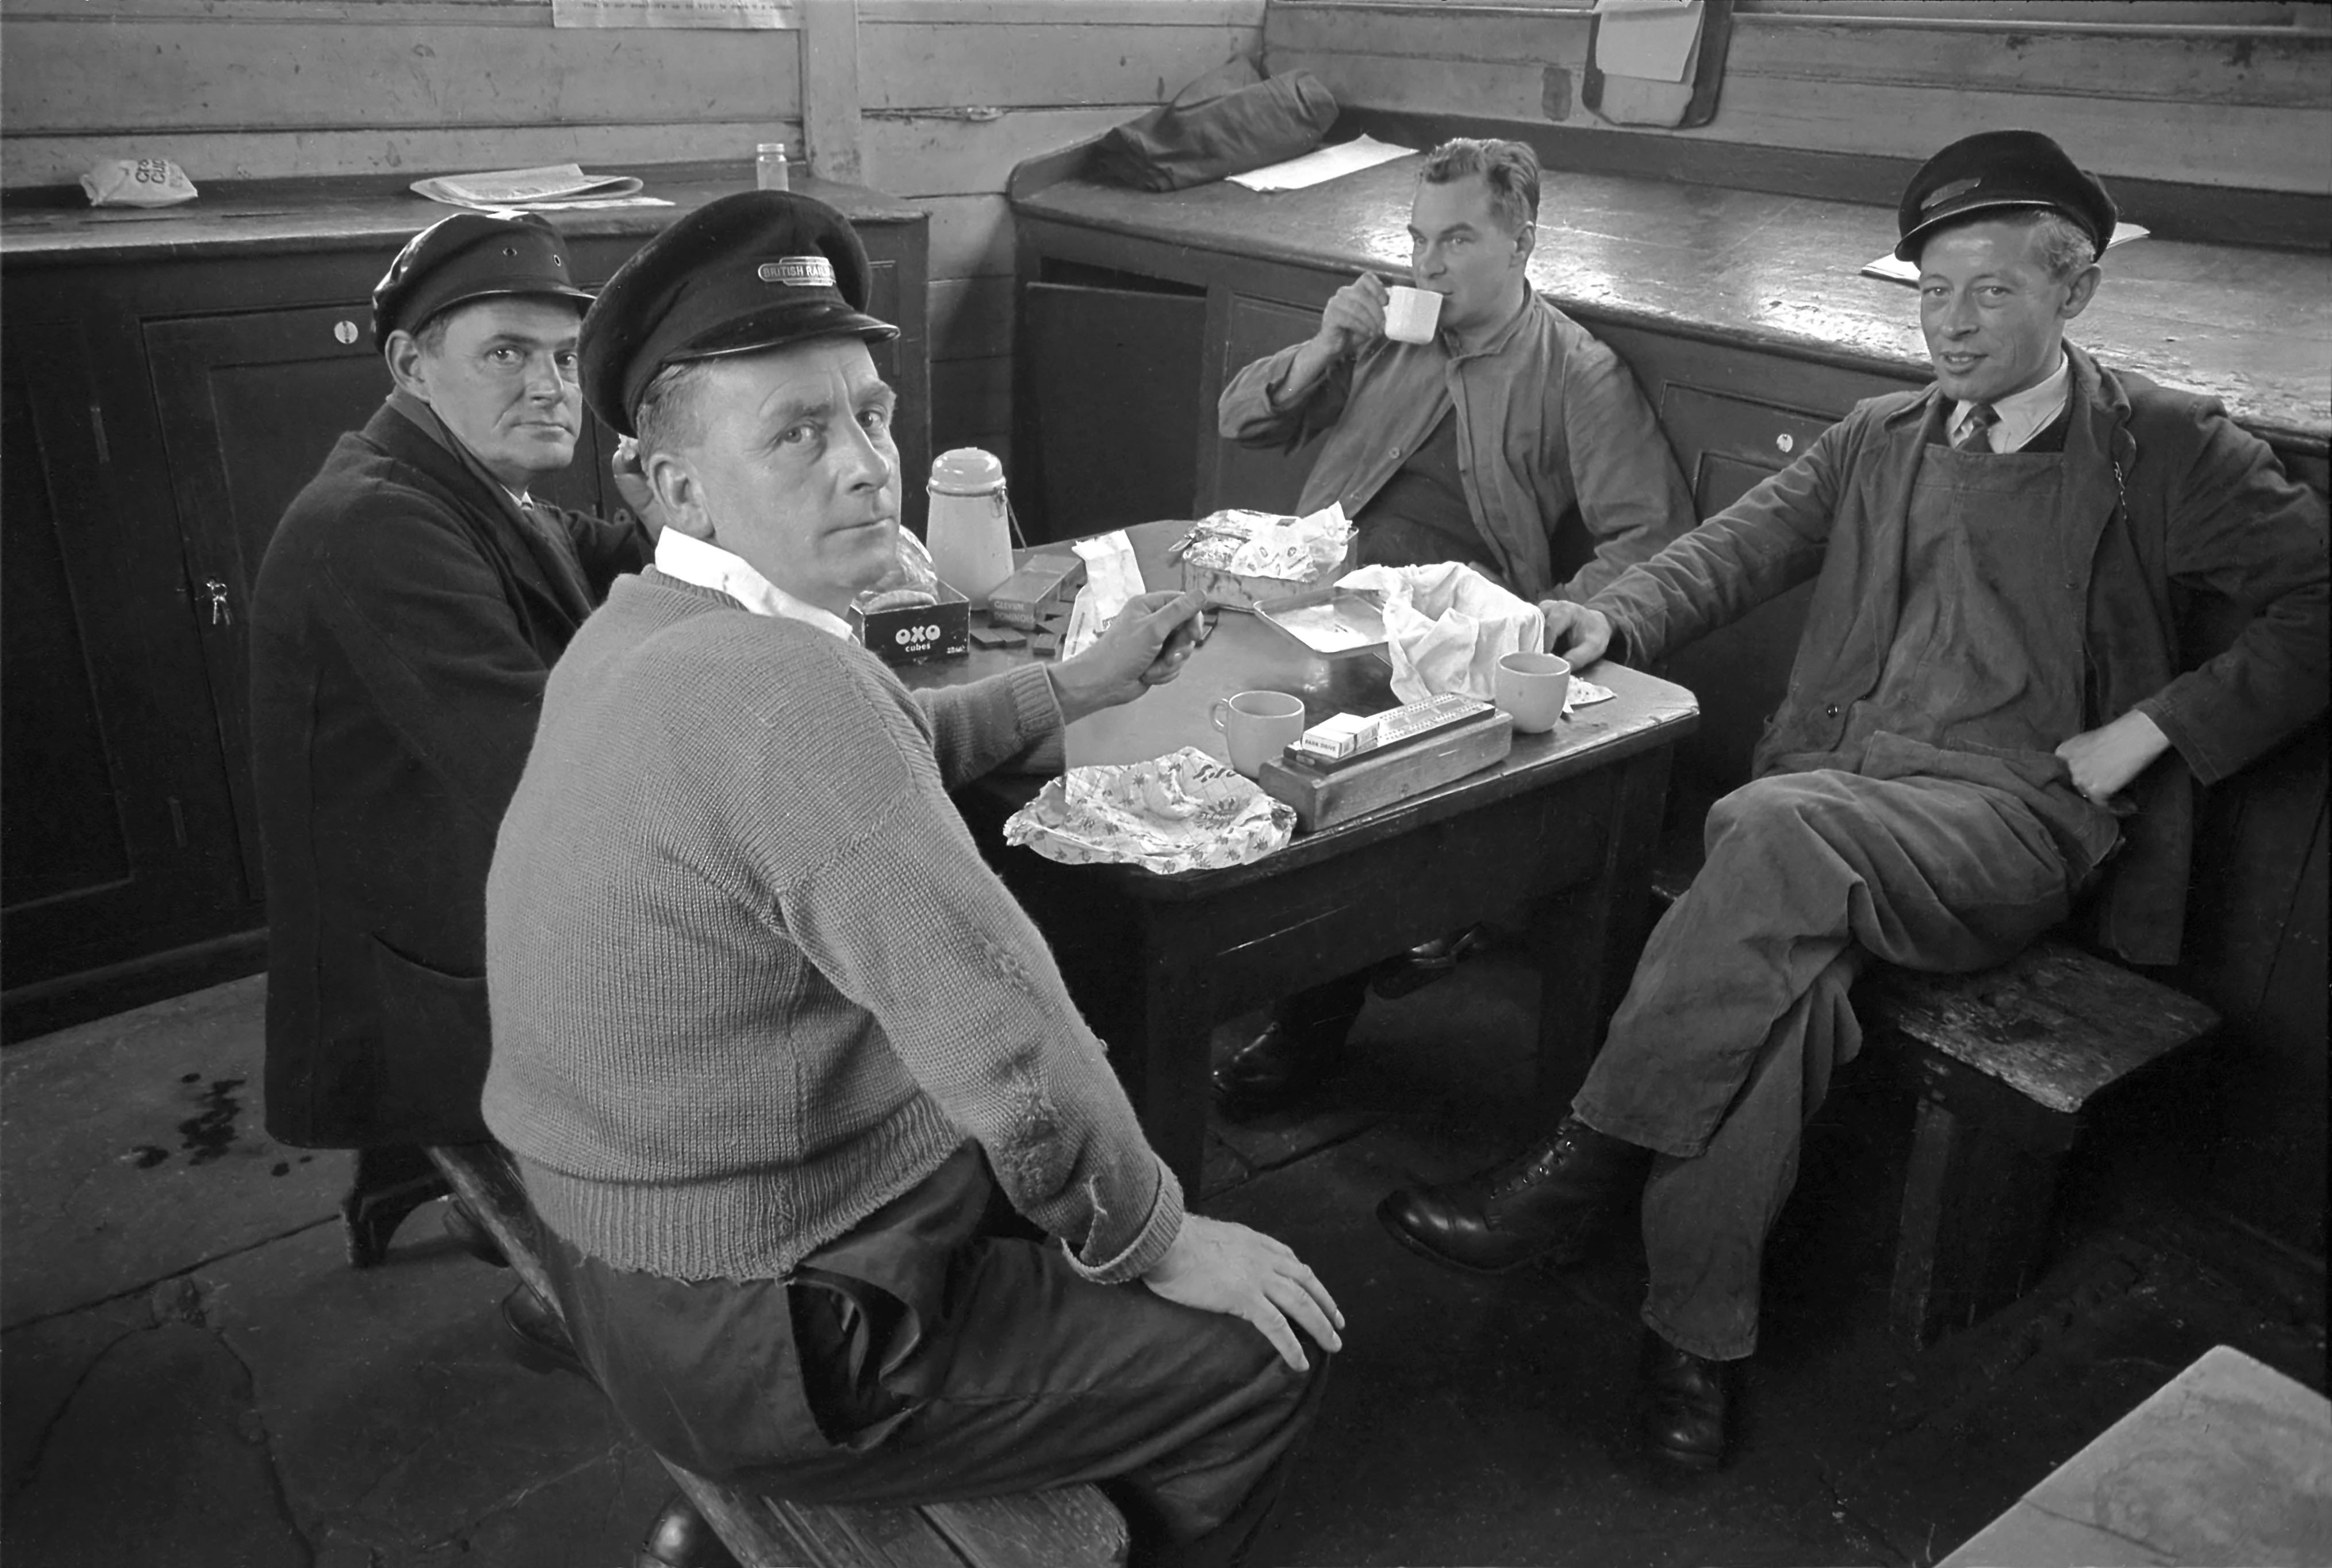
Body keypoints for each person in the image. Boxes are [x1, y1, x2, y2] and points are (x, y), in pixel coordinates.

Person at [1376, 129, 2329, 1470]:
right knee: (1782, 1004)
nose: (1953, 323)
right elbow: (1734, 545)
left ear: (2076, 294)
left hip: (2009, 829)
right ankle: (1694, 1343)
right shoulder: (1884, 437)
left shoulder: (2163, 450)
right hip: (1840, 812)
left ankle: (1577, 1164)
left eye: (1993, 289)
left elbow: (2322, 600)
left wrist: (2153, 728)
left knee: (1761, 830)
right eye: (1934, 290)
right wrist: (1611, 620)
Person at [482, 190, 1342, 1567]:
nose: (868, 465)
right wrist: (1159, 1236)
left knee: (1012, 1146)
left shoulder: (645, 630)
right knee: (1260, 1357)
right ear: (676, 484)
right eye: (798, 433)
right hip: (764, 1328)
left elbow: (891, 735)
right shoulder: (786, 698)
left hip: (618, 1247)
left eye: (873, 414)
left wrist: (1068, 684)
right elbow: (1011, 1039)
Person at [1211, 136, 1697, 1120]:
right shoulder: (1388, 333)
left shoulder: (1575, 371)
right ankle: (1240, 948)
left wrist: (1559, 615)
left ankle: (1315, 1005)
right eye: (1417, 240)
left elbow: (1653, 534)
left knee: (1337, 752)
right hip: (1314, 598)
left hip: (1440, 632)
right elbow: (1241, 423)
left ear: (1523, 240)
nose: (1425, 265)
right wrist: (1323, 349)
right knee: (1198, 692)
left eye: (1456, 240)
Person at [248, 212, 653, 1323]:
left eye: (565, 358)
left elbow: (588, 548)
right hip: (430, 986)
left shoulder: (463, 483)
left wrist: (677, 508)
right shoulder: (380, 524)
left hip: (447, 910)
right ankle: (655, 1309)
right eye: (506, 354)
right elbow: (557, 787)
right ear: (410, 364)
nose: (551, 386)